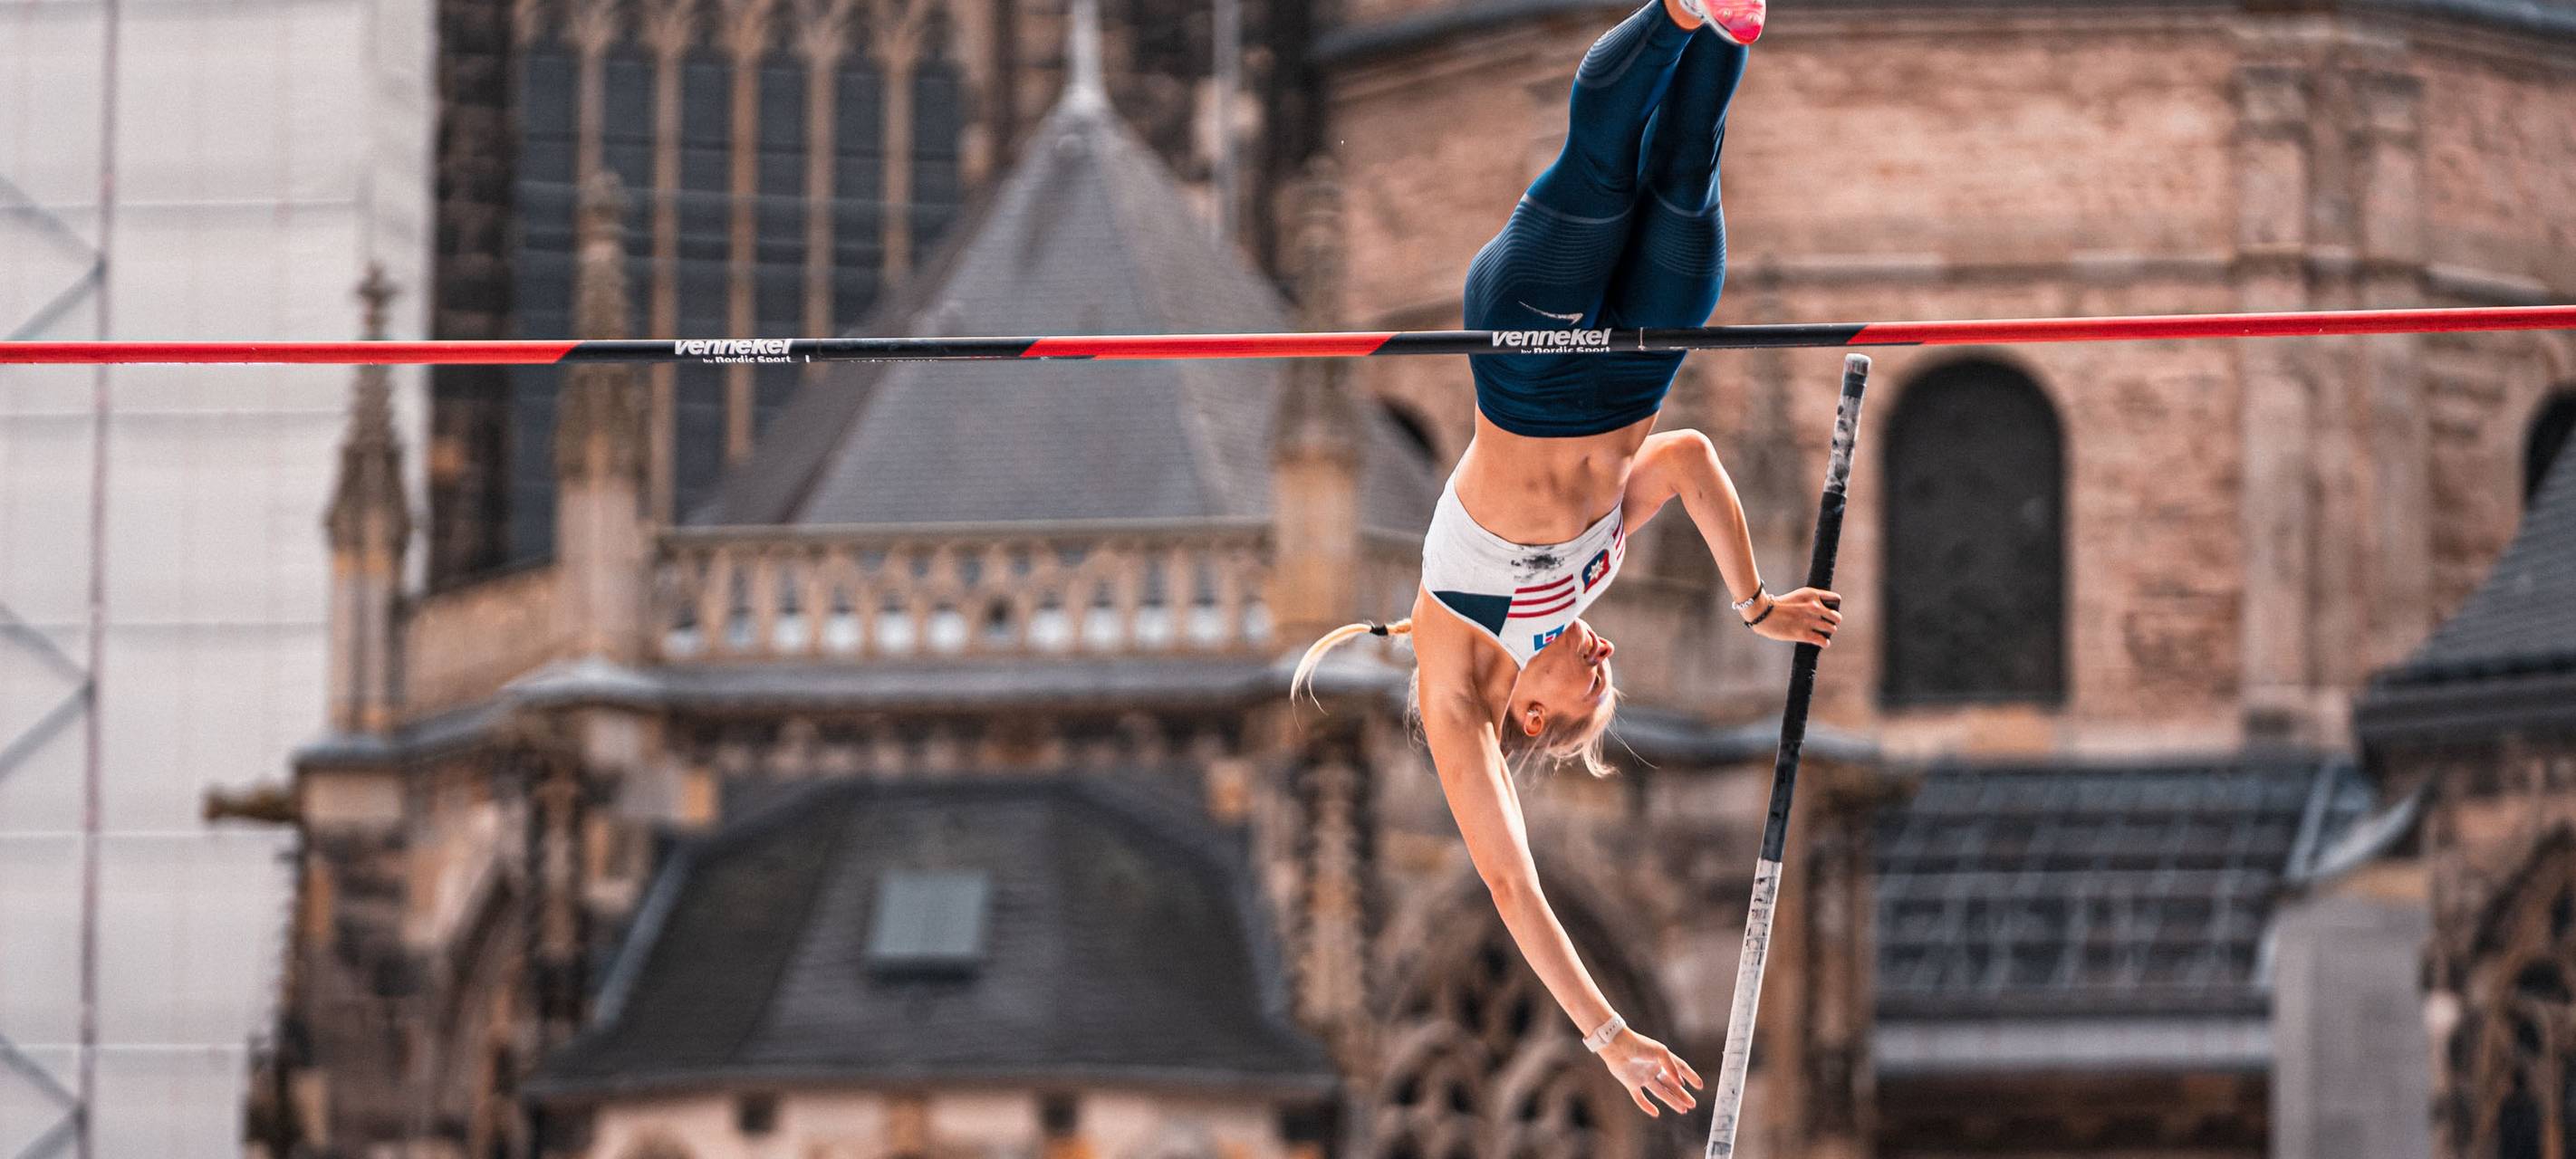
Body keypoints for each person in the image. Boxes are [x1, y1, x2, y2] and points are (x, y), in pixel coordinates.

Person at [1289, 0, 1842, 1123]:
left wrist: (1607, 1031)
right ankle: (1727, 26)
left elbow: (1508, 881)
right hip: (1635, 373)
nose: (1602, 650)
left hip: (1527, 359)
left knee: (1600, 159)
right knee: (1684, 175)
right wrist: (1752, 602)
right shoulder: (1589, 580)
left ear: (1531, 714)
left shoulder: (1449, 680)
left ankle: (1675, 7)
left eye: (1594, 678)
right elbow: (1685, 458)